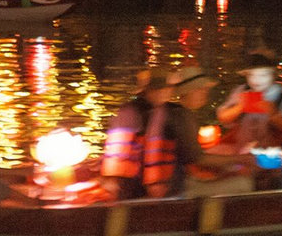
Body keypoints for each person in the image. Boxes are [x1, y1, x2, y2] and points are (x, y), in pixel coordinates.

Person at [167, 67, 256, 196]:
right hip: (181, 187)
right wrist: (240, 159)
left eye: (205, 89)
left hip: (182, 180)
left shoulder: (177, 113)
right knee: (244, 184)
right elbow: (198, 159)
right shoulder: (183, 117)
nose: (205, 93)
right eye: (200, 89)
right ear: (187, 92)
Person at [100, 70, 180, 199]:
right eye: (160, 88)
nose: (165, 92)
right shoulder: (130, 112)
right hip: (131, 184)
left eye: (167, 88)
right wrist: (113, 181)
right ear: (148, 91)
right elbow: (118, 152)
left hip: (152, 182)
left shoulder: (163, 111)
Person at [216, 51, 282, 152]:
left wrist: (273, 114)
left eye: (263, 75)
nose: (256, 80)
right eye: (251, 75)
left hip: (274, 152)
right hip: (242, 150)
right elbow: (222, 117)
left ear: (273, 76)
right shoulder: (241, 91)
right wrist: (239, 107)